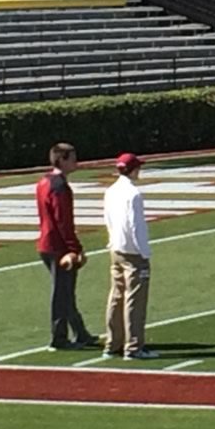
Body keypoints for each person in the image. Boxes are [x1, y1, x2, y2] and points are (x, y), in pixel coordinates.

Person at [36, 142, 97, 351]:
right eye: (72, 158)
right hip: (58, 246)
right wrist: (75, 248)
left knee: (66, 292)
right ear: (61, 159)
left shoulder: (44, 181)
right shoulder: (60, 187)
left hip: (47, 243)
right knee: (62, 293)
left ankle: (80, 332)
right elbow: (64, 222)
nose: (76, 162)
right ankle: (59, 338)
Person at [101, 152, 154, 360]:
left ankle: (112, 342)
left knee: (116, 296)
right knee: (135, 300)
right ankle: (133, 346)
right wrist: (144, 252)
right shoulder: (133, 194)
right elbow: (136, 226)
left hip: (116, 249)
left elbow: (108, 220)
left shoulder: (111, 191)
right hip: (133, 252)